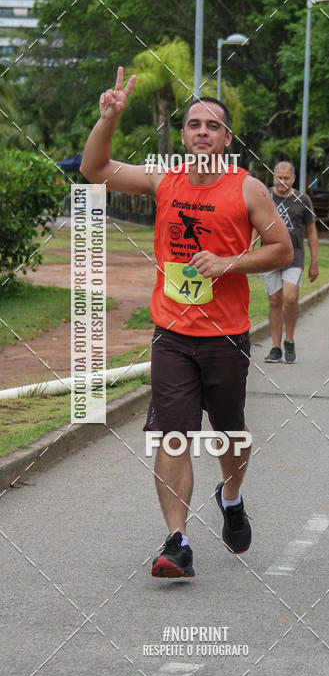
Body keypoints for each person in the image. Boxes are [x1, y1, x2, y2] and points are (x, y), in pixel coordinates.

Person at [81, 67, 293, 578]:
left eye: (212, 125)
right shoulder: (163, 180)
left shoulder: (248, 190)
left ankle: (232, 495)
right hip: (172, 334)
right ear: (183, 136)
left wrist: (229, 263)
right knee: (173, 436)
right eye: (193, 124)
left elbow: (281, 249)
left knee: (230, 436)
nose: (202, 131)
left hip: (226, 336)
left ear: (226, 138)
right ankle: (177, 542)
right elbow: (95, 168)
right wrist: (108, 117)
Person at [253, 161, 319, 364]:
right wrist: (249, 246)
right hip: (269, 255)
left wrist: (314, 262)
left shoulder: (303, 199)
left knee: (290, 298)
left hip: (294, 256)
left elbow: (311, 231)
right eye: (278, 177)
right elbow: (255, 223)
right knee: (274, 301)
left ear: (293, 178)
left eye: (286, 178)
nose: (282, 181)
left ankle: (289, 340)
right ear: (273, 178)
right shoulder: (264, 196)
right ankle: (275, 347)